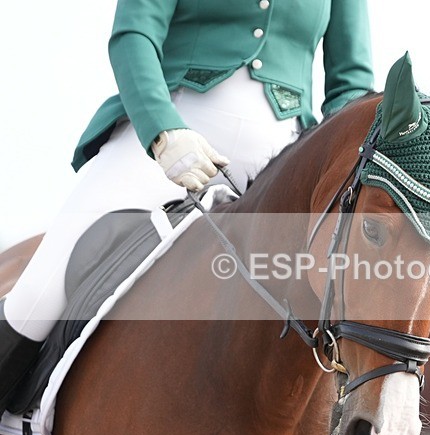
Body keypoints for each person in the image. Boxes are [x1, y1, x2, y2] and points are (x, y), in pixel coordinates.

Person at [0, 0, 374, 413]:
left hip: (283, 156)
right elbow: (134, 35)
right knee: (37, 295)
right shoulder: (163, 133)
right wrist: (162, 130)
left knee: (355, 309)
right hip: (167, 136)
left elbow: (351, 82)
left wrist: (335, 167)